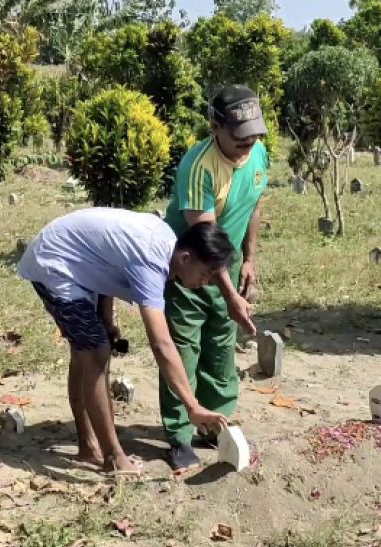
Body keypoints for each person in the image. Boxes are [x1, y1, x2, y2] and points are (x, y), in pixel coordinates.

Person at [17, 207, 232, 475]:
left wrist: (106, 319)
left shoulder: (166, 242)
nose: (207, 282)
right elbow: (161, 344)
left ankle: (88, 447)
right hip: (55, 263)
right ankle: (112, 457)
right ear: (186, 257)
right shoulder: (152, 262)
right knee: (95, 352)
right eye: (206, 274)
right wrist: (192, 406)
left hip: (73, 260)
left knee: (87, 351)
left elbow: (108, 258)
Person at [161, 84, 270, 473]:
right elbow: (203, 243)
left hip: (225, 260)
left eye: (255, 134)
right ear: (215, 127)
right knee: (184, 349)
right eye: (240, 136)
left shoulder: (257, 152)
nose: (249, 143)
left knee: (222, 349)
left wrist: (249, 259)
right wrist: (230, 296)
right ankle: (178, 434)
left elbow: (255, 203)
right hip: (190, 268)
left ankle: (215, 423)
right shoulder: (198, 166)